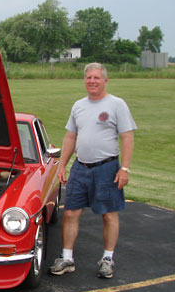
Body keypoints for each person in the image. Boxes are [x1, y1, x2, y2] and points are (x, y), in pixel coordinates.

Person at [49, 62, 136, 279]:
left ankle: (107, 259)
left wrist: (124, 168)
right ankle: (67, 258)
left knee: (108, 215)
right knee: (70, 213)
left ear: (105, 80)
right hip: (81, 167)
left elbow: (127, 136)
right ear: (84, 80)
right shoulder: (79, 105)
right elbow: (71, 136)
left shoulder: (117, 104)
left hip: (107, 168)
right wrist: (62, 164)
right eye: (89, 78)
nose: (92, 81)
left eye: (97, 78)